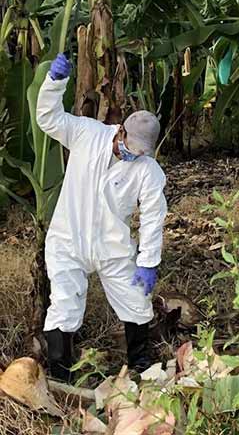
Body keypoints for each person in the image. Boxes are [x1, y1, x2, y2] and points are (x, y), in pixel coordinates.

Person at [38, 53, 167, 381]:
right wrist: (55, 83)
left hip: (112, 246)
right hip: (68, 240)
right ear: (121, 131)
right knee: (65, 305)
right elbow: (49, 118)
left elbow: (153, 214)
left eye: (141, 152)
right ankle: (61, 377)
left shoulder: (148, 170)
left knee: (137, 301)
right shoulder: (87, 133)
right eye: (131, 146)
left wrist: (149, 261)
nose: (132, 154)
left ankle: (140, 365)